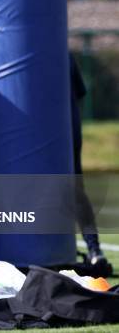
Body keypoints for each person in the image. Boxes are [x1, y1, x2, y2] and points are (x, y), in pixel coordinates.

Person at [69, 54, 109, 270]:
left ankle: (94, 248)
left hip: (63, 132)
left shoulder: (56, 51)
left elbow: (79, 92)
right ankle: (94, 249)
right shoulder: (58, 49)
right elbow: (80, 93)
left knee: (74, 191)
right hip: (66, 130)